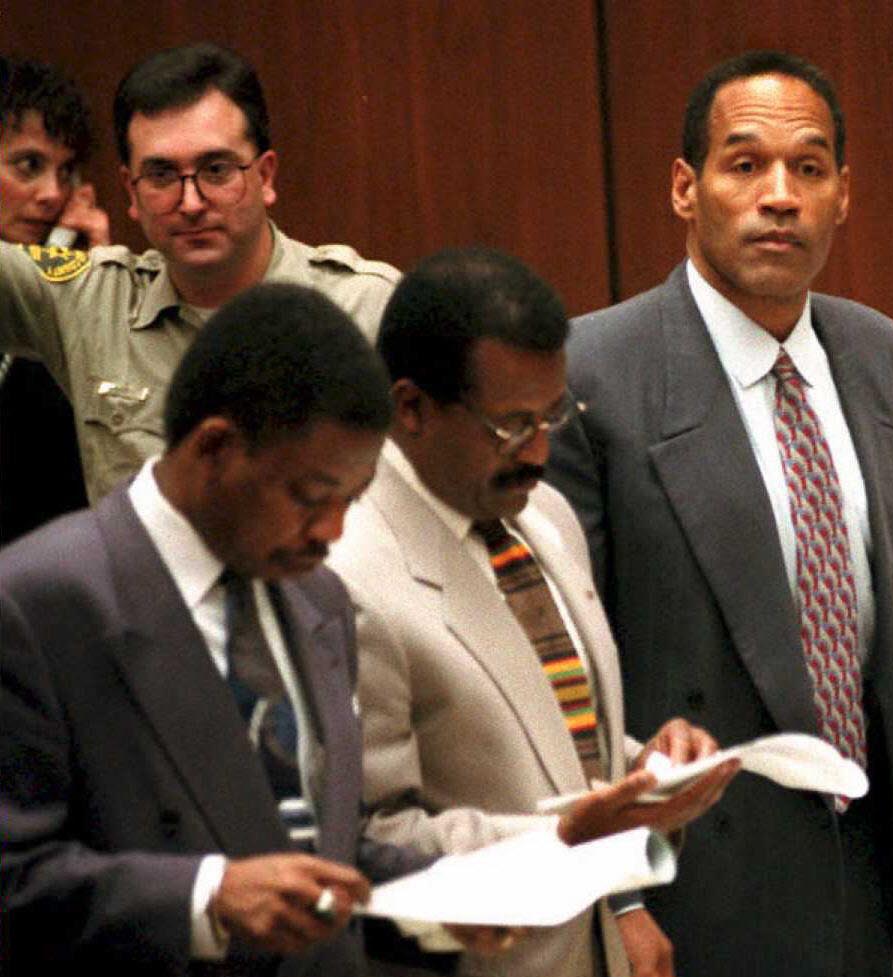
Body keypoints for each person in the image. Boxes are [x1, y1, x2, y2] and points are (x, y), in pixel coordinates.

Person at [547, 51, 893, 977]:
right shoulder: (591, 374)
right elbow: (561, 667)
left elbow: (877, 634)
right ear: (685, 188)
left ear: (843, 194)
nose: (780, 195)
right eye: (744, 165)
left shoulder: (886, 358)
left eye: (809, 169)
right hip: (694, 881)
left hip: (877, 867)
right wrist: (620, 894)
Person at [0, 282, 520, 975]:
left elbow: (316, 845)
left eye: (352, 501)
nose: (332, 532)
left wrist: (436, 896)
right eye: (310, 497)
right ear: (215, 447)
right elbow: (13, 878)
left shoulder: (319, 599)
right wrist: (204, 895)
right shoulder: (36, 600)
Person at [330, 247, 739, 977]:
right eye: (510, 427)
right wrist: (561, 834)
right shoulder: (346, 575)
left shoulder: (543, 516)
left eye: (552, 414)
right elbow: (365, 842)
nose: (541, 452)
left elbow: (557, 741)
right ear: (409, 408)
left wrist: (642, 769)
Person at [0, 42, 398, 503]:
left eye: (216, 169)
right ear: (131, 190)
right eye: (162, 175)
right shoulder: (89, 301)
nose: (190, 203)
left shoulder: (367, 306)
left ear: (265, 176)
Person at [0, 56, 108, 541]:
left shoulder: (72, 292)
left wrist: (95, 284)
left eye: (67, 173)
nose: (52, 194)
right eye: (29, 166)